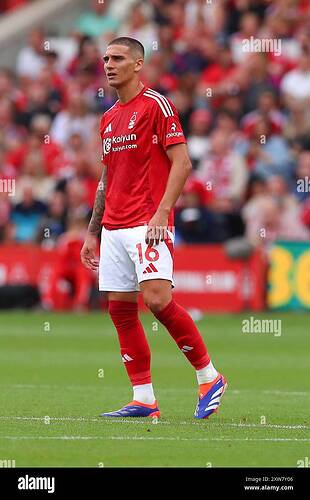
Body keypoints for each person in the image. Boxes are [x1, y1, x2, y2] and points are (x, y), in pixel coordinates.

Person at [80, 37, 227, 420]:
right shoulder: (108, 118)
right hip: (113, 226)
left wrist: (163, 212)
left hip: (148, 221)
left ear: (139, 63)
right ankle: (144, 399)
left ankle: (209, 376)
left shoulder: (157, 105)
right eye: (106, 58)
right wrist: (93, 231)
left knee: (159, 300)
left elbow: (182, 163)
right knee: (121, 311)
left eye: (118, 58)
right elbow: (106, 177)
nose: (109, 64)